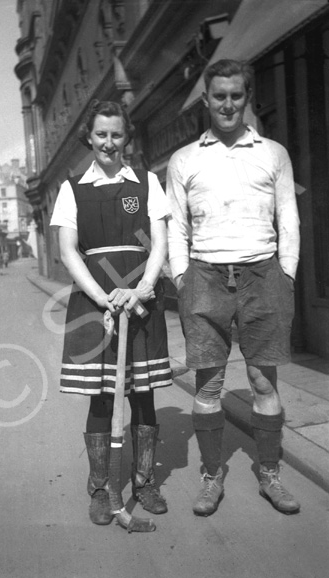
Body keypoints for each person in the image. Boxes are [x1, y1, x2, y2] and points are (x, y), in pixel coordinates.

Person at [166, 59, 300, 516]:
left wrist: (288, 272)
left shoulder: (273, 153)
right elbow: (175, 228)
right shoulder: (185, 159)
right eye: (218, 96)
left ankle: (269, 474)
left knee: (263, 379)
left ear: (246, 97)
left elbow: (289, 217)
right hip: (204, 277)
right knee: (209, 384)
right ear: (206, 100)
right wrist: (182, 278)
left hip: (264, 274)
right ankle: (211, 476)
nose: (227, 104)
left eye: (236, 96)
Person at [50, 100, 172, 526]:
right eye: (101, 134)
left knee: (143, 394)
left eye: (116, 134)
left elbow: (159, 243)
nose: (108, 142)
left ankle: (143, 483)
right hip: (96, 302)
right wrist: (104, 298)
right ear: (90, 137)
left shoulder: (147, 182)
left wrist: (142, 288)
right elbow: (68, 251)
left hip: (141, 300)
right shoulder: (73, 188)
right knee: (102, 396)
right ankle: (102, 489)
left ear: (127, 137)